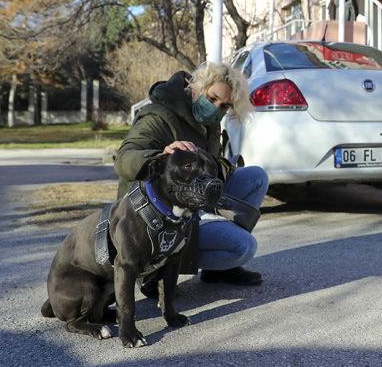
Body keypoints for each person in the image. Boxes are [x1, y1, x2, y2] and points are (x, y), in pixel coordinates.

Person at [114, 62, 268, 288]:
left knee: (256, 177)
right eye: (212, 98)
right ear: (196, 88)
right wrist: (159, 156)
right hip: (157, 216)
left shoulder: (210, 123)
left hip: (193, 202)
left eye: (225, 106)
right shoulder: (158, 116)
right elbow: (123, 159)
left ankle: (220, 270)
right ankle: (155, 273)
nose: (217, 108)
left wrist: (220, 167)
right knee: (244, 247)